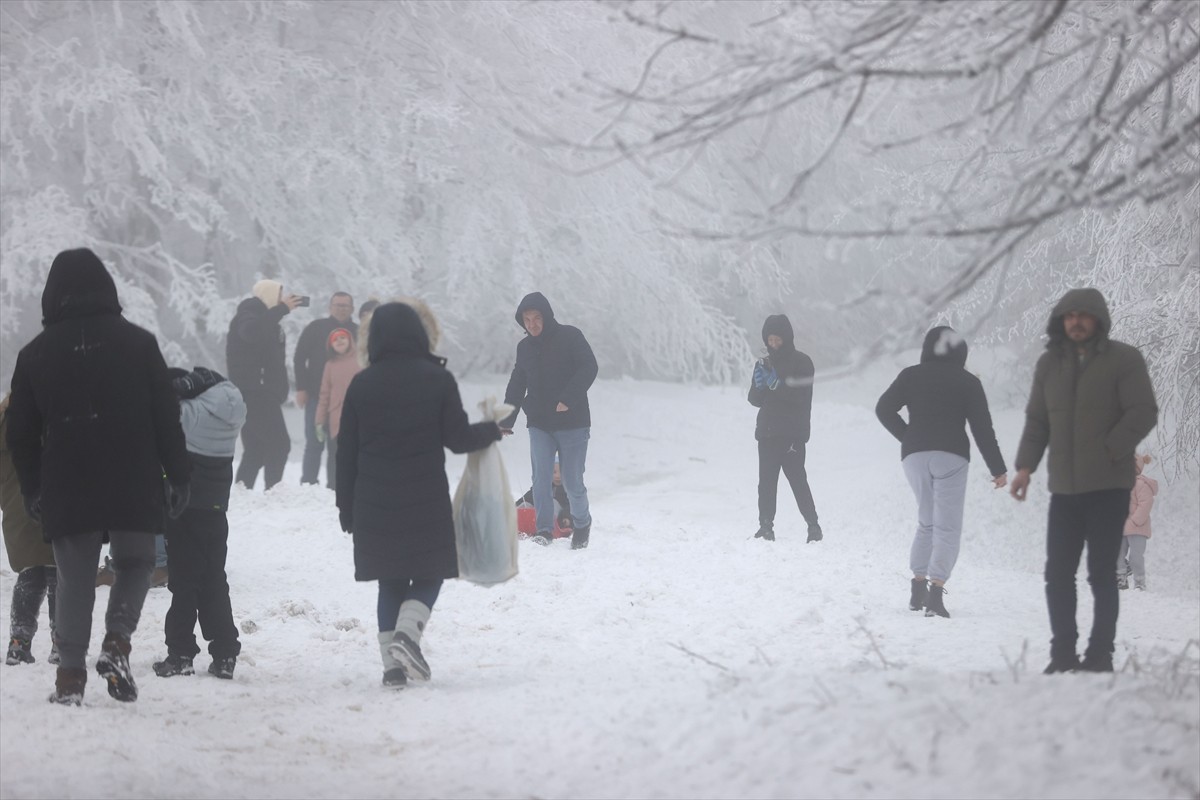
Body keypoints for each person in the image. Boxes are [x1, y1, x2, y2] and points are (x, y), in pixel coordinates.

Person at [6, 248, 191, 705]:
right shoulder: (139, 343)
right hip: (133, 472)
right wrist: (179, 474)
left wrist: (31, 486)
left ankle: (70, 678)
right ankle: (117, 641)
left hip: (67, 478)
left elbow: (20, 433)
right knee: (136, 563)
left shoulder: (35, 355)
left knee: (74, 578)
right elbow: (167, 416)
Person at [335, 302, 502, 689]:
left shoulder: (362, 383)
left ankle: (391, 668)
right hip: (424, 499)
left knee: (389, 581)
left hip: (373, 504)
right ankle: (408, 636)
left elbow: (346, 454)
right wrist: (491, 430)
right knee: (431, 570)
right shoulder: (436, 380)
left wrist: (346, 509)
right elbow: (458, 439)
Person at [1010, 288, 1158, 674]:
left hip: (1109, 487)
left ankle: (1100, 655)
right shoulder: (1049, 365)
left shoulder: (1124, 359)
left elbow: (1143, 411)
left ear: (1098, 319)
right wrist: (1025, 467)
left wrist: (1113, 447)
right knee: (1057, 573)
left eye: (1084, 315)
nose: (1075, 321)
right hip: (1064, 489)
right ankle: (1062, 653)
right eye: (1069, 315)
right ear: (1061, 320)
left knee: (1100, 574)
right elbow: (1037, 421)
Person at [875, 326, 1008, 618]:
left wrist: (909, 437)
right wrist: (997, 468)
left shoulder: (910, 375)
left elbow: (883, 409)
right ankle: (935, 595)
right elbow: (982, 429)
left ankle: (917, 589)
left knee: (927, 522)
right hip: (951, 457)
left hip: (914, 457)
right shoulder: (968, 382)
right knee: (947, 526)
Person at [152, 366, 246, 680]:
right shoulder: (231, 407)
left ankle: (180, 653)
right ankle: (225, 653)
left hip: (183, 508)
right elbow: (216, 382)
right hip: (216, 509)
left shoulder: (185, 415)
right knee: (214, 579)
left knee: (184, 581)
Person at [501, 292, 597, 550]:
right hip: (540, 423)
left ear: (547, 316)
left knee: (571, 480)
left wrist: (569, 398)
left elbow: (589, 367)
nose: (531, 324)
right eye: (526, 320)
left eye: (536, 318)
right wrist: (506, 419)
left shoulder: (570, 337)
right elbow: (517, 383)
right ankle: (544, 530)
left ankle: (581, 523)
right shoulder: (524, 348)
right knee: (541, 479)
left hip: (573, 421)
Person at [747, 314, 822, 543]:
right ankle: (765, 526)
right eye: (770, 339)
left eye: (777, 339)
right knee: (766, 482)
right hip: (768, 432)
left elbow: (799, 396)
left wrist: (776, 384)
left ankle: (813, 525)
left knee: (797, 480)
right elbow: (754, 399)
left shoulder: (802, 362)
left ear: (786, 338)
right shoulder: (764, 364)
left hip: (792, 433)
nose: (773, 344)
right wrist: (760, 386)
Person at [226, 279, 302, 490]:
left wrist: (279, 390)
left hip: (259, 392)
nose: (282, 300)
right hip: (254, 391)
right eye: (278, 296)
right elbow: (251, 332)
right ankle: (273, 491)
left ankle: (242, 492)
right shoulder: (248, 314)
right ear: (268, 295)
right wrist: (282, 309)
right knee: (279, 444)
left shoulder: (267, 321)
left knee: (256, 449)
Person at [1, 392, 58, 666]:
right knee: (61, 574)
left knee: (30, 573)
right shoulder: (51, 414)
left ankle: (18, 642)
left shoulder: (5, 420)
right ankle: (62, 642)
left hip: (17, 508)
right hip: (55, 503)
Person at [294, 293, 356, 485]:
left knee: (338, 446)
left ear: (352, 309)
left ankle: (335, 485)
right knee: (314, 443)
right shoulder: (316, 328)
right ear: (330, 307)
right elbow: (299, 358)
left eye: (346, 306)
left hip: (347, 401)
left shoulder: (359, 332)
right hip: (315, 396)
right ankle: (308, 484)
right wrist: (301, 388)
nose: (341, 309)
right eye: (337, 305)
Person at [314, 328, 361, 490]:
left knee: (358, 455)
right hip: (336, 418)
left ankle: (358, 485)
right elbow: (324, 394)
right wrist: (319, 421)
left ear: (350, 340)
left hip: (360, 417)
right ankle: (333, 487)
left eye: (343, 337)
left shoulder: (361, 360)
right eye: (335, 339)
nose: (340, 341)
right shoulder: (330, 365)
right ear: (330, 345)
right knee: (335, 456)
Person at [1118, 453, 1157, 592]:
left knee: (1136, 556)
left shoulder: (1141, 484)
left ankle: (1139, 582)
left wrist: (1135, 520)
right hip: (1121, 527)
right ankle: (1120, 578)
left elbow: (1146, 503)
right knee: (1117, 553)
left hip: (1137, 528)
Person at [515, 454, 573, 537]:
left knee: (552, 502)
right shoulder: (543, 485)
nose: (558, 476)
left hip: (560, 519)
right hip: (538, 517)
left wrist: (567, 517)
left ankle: (546, 528)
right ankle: (516, 523)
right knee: (525, 504)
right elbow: (530, 496)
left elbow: (571, 506)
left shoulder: (569, 488)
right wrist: (516, 505)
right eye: (554, 472)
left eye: (561, 472)